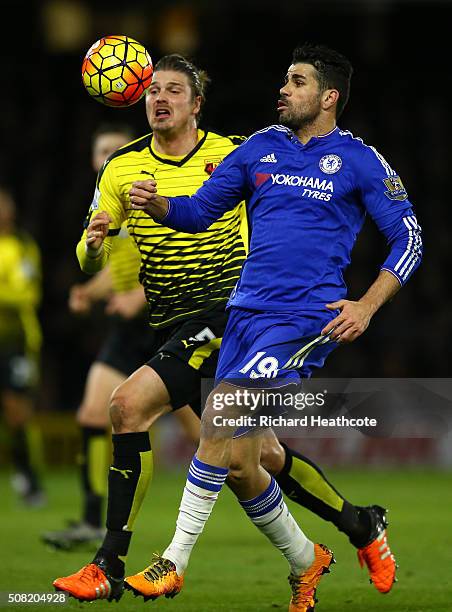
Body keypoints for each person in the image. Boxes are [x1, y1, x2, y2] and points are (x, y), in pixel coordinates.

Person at [52, 51, 408, 608]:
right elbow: (197, 214)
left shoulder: (359, 160)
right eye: (284, 78)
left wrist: (365, 305)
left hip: (302, 319)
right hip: (245, 316)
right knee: (245, 461)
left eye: (296, 82)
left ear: (329, 96)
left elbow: (409, 238)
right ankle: (343, 537)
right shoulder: (258, 148)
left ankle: (169, 560)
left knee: (207, 415)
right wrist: (158, 203)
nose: (283, 89)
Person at [42, 124, 201, 550]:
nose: (111, 156)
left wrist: (138, 296)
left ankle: (269, 488)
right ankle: (94, 519)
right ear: (97, 161)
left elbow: (177, 260)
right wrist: (90, 288)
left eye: (117, 149)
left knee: (212, 441)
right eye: (103, 151)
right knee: (92, 415)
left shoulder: (154, 195)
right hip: (128, 329)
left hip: (165, 320)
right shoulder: (108, 207)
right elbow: (115, 266)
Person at [0, 186, 45, 506]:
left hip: (16, 341)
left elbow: (27, 295)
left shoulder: (22, 246)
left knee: (17, 414)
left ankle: (30, 479)